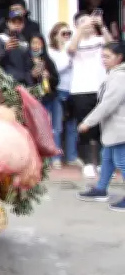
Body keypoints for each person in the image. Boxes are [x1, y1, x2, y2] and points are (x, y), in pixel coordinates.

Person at [76, 42, 125, 211]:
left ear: (119, 58)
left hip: (121, 127)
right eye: (102, 56)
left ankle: (102, 189)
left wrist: (88, 122)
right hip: (114, 128)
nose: (103, 60)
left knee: (121, 161)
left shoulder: (120, 76)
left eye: (107, 56)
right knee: (107, 158)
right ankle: (101, 189)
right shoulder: (114, 73)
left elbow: (108, 104)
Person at [68, 10, 115, 179]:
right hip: (80, 90)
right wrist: (80, 30)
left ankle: (104, 162)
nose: (88, 25)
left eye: (90, 22)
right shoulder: (73, 40)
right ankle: (88, 163)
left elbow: (112, 46)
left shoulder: (100, 39)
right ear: (76, 25)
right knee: (84, 127)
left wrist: (101, 26)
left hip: (101, 88)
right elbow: (71, 50)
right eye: (83, 22)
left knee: (104, 127)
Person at [47, 22, 78, 168]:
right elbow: (54, 71)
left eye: (69, 34)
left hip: (73, 89)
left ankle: (72, 156)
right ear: (55, 35)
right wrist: (69, 61)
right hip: (59, 90)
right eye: (63, 33)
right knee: (57, 125)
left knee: (72, 125)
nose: (67, 36)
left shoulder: (72, 50)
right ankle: (56, 157)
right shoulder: (51, 52)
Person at [0, 10, 33, 85]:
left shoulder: (25, 43)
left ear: (23, 25)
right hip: (6, 83)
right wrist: (5, 50)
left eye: (20, 22)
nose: (17, 25)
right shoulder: (0, 38)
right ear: (8, 23)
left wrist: (30, 85)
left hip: (23, 83)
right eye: (14, 22)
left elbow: (27, 67)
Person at [29, 34, 58, 98]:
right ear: (29, 44)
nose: (36, 46)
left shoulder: (47, 60)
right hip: (32, 97)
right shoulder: (26, 59)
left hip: (49, 96)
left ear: (43, 45)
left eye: (39, 43)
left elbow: (56, 80)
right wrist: (32, 75)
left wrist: (49, 76)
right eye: (33, 43)